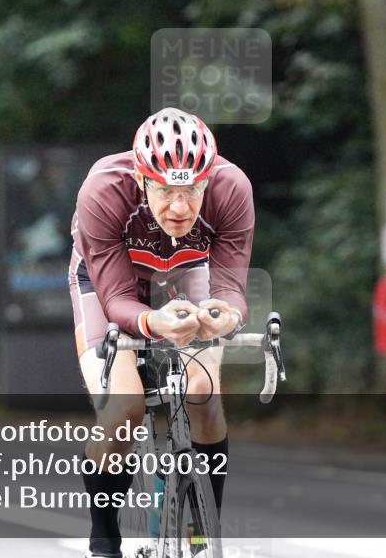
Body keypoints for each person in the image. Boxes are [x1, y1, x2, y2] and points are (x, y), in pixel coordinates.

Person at [69, 108, 254, 558]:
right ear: (141, 178)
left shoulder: (232, 188)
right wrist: (154, 322)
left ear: (208, 181)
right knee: (124, 407)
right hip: (107, 282)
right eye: (166, 191)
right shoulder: (102, 190)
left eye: (191, 191)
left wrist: (226, 316)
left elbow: (230, 288)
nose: (180, 207)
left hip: (186, 273)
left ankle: (204, 533)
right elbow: (116, 300)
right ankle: (103, 539)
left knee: (202, 391)